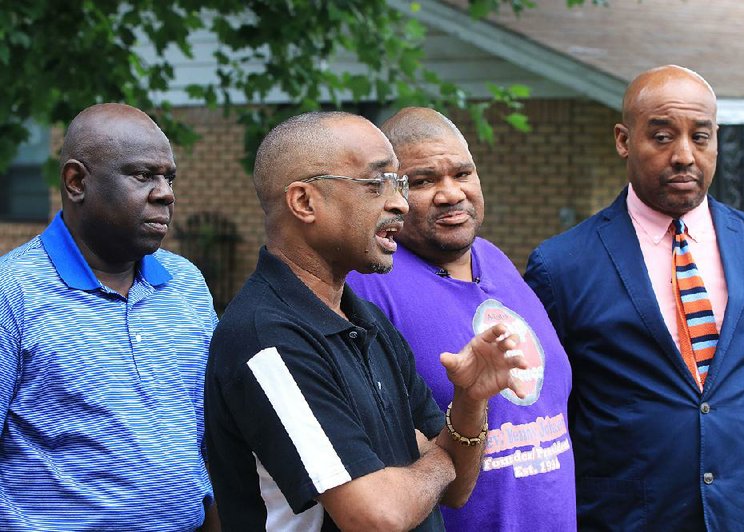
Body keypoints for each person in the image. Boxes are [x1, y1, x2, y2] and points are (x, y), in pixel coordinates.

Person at [204, 111, 530, 531]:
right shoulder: (267, 340)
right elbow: (376, 517)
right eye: (376, 184)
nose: (399, 202)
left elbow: (457, 489)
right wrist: (440, 459)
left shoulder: (364, 319)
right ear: (304, 202)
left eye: (398, 184)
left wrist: (469, 400)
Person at [525, 65, 744, 530]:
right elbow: (547, 410)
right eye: (662, 136)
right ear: (623, 140)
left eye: (701, 137)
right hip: (627, 518)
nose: (685, 156)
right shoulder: (562, 266)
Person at [347, 107, 576, 531]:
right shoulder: (368, 285)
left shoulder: (497, 261)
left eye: (462, 174)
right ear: (389, 191)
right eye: (423, 181)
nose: (451, 193)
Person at [0, 103, 219, 531]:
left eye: (168, 177)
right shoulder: (13, 293)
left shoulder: (186, 285)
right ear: (76, 182)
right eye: (142, 176)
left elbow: (206, 439)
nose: (166, 193)